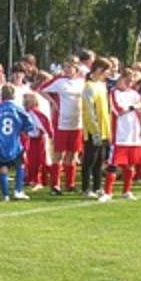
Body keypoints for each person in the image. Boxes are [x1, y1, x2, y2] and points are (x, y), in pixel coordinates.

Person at [40, 59, 85, 195]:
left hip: (77, 122)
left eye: (70, 67)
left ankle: (70, 184)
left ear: (76, 68)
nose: (67, 69)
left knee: (72, 154)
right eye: (65, 67)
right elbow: (41, 89)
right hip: (62, 123)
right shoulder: (59, 81)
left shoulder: (82, 82)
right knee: (58, 154)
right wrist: (53, 102)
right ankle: (55, 185)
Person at [105, 71, 141, 201]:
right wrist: (134, 107)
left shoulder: (134, 94)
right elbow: (119, 110)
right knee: (113, 162)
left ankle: (127, 191)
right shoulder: (113, 93)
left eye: (131, 81)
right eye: (126, 80)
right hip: (119, 133)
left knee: (130, 163)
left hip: (133, 134)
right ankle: (108, 192)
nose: (129, 84)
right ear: (121, 79)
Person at [0, 84, 33, 201]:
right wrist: (22, 129)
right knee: (20, 165)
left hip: (0, 141)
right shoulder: (18, 109)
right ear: (14, 95)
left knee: (2, 167)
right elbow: (30, 124)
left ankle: (5, 194)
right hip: (14, 142)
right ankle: (18, 190)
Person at [80, 58, 112, 199]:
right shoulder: (88, 87)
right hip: (93, 130)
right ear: (99, 70)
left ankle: (97, 187)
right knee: (90, 159)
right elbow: (88, 111)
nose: (108, 74)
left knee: (100, 159)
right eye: (106, 71)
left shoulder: (102, 85)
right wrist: (95, 130)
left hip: (104, 128)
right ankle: (86, 188)